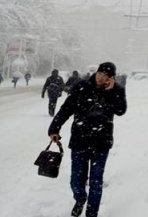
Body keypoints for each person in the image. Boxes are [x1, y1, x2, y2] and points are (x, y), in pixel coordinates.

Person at [48, 61, 126, 217]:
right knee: (76, 181)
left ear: (111, 78)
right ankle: (80, 198)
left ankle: (92, 213)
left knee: (96, 181)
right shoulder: (81, 87)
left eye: (105, 76)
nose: (101, 78)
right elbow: (67, 108)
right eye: (99, 74)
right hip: (80, 140)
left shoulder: (117, 90)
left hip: (101, 142)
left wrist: (112, 91)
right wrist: (54, 128)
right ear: (96, 73)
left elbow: (120, 110)